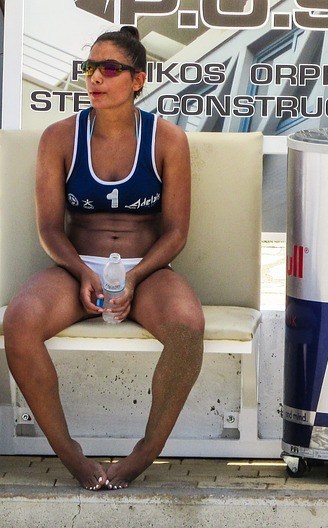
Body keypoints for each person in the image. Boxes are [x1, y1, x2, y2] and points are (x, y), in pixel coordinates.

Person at [3, 26, 204, 491]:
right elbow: (51, 229)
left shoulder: (168, 139)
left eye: (110, 68)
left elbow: (176, 232)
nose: (96, 77)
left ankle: (144, 452)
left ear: (138, 79)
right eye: (90, 68)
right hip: (77, 263)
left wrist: (134, 278)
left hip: (146, 268)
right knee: (19, 323)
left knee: (187, 328)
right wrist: (79, 271)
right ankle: (70, 454)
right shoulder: (58, 137)